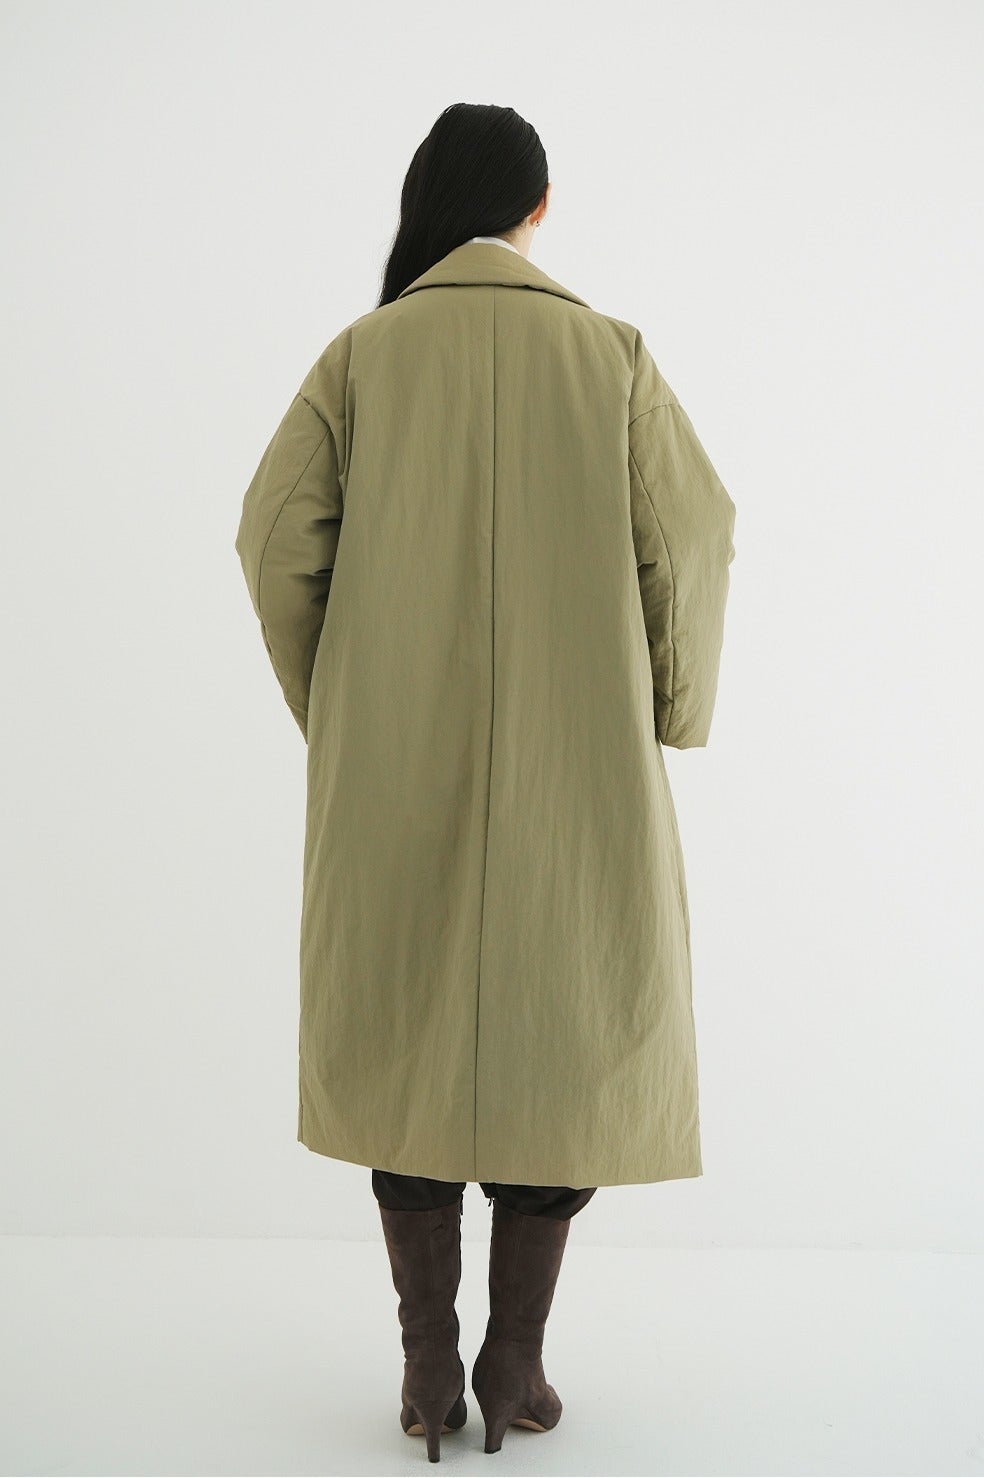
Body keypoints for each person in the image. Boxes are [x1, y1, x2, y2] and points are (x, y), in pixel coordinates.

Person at [234, 102, 736, 1463]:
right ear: (538, 207)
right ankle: (513, 1364)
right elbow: (695, 536)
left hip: (393, 764)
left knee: (401, 1037)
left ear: (428, 205)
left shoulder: (364, 355)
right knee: (566, 1040)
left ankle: (425, 1369)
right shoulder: (610, 354)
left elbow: (271, 537)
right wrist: (673, 708)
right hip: (585, 764)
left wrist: (343, 708)